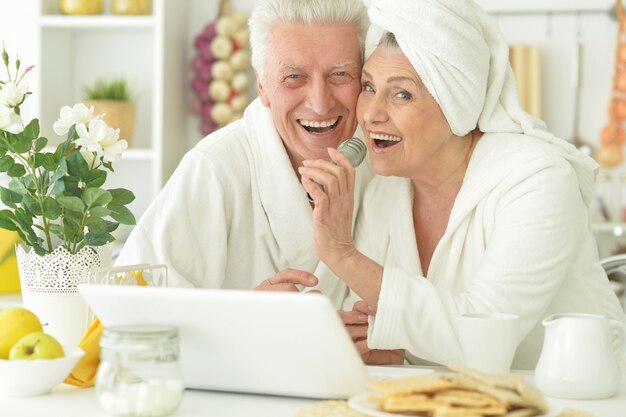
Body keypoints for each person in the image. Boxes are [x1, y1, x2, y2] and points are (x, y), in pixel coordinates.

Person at [299, 0, 626, 369]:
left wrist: (343, 253)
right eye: (369, 87)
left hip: (576, 401)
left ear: (456, 103)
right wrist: (386, 346)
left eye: (401, 93)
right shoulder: (383, 193)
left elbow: (483, 342)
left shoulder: (538, 179)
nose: (371, 113)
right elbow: (380, 325)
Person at [115, 0, 373, 309]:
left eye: (341, 75)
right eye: (294, 77)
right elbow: (130, 305)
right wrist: (243, 316)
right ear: (261, 85)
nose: (320, 103)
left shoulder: (386, 166)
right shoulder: (215, 167)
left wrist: (385, 334)